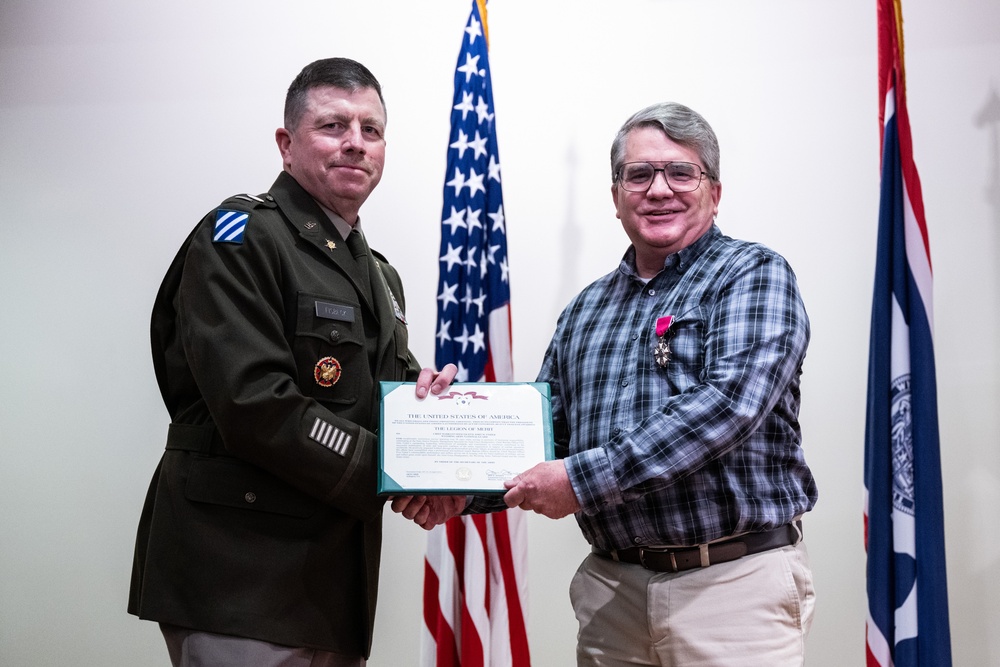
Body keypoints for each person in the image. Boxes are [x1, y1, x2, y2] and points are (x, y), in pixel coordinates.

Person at [401, 102, 819, 665]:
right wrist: (451, 474)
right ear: (617, 194)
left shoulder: (752, 274)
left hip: (731, 589)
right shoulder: (586, 310)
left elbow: (726, 408)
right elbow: (544, 437)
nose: (659, 189)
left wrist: (578, 479)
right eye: (639, 174)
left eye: (680, 172)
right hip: (612, 594)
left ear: (713, 192)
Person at [129, 57, 455, 667]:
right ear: (286, 143)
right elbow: (255, 403)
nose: (355, 144)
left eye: (371, 130)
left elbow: (386, 389)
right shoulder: (240, 237)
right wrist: (393, 465)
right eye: (334, 126)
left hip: (327, 580)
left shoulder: (377, 272)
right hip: (241, 573)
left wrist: (441, 428)